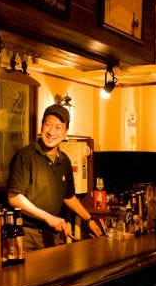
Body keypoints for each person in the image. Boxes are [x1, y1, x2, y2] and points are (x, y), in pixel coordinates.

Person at [7, 103, 102, 251]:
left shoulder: (64, 161)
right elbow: (14, 198)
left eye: (58, 127)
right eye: (48, 125)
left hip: (53, 234)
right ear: (41, 127)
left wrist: (89, 219)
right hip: (27, 234)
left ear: (65, 133)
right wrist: (48, 218)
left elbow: (68, 196)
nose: (51, 132)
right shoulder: (26, 156)